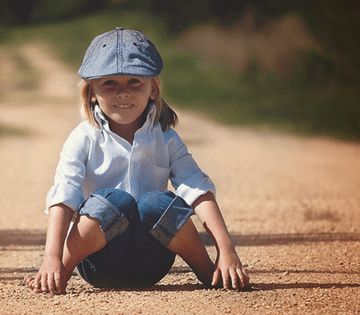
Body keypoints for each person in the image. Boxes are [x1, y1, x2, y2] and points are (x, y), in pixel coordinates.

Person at [25, 27, 249, 294]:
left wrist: (227, 249)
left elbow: (197, 189)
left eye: (134, 81)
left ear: (153, 89)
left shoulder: (166, 138)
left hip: (151, 262)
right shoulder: (82, 138)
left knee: (156, 203)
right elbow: (64, 195)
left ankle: (208, 270)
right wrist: (51, 258)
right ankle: (60, 272)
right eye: (109, 83)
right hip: (98, 263)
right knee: (116, 201)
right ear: (91, 93)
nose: (123, 92)